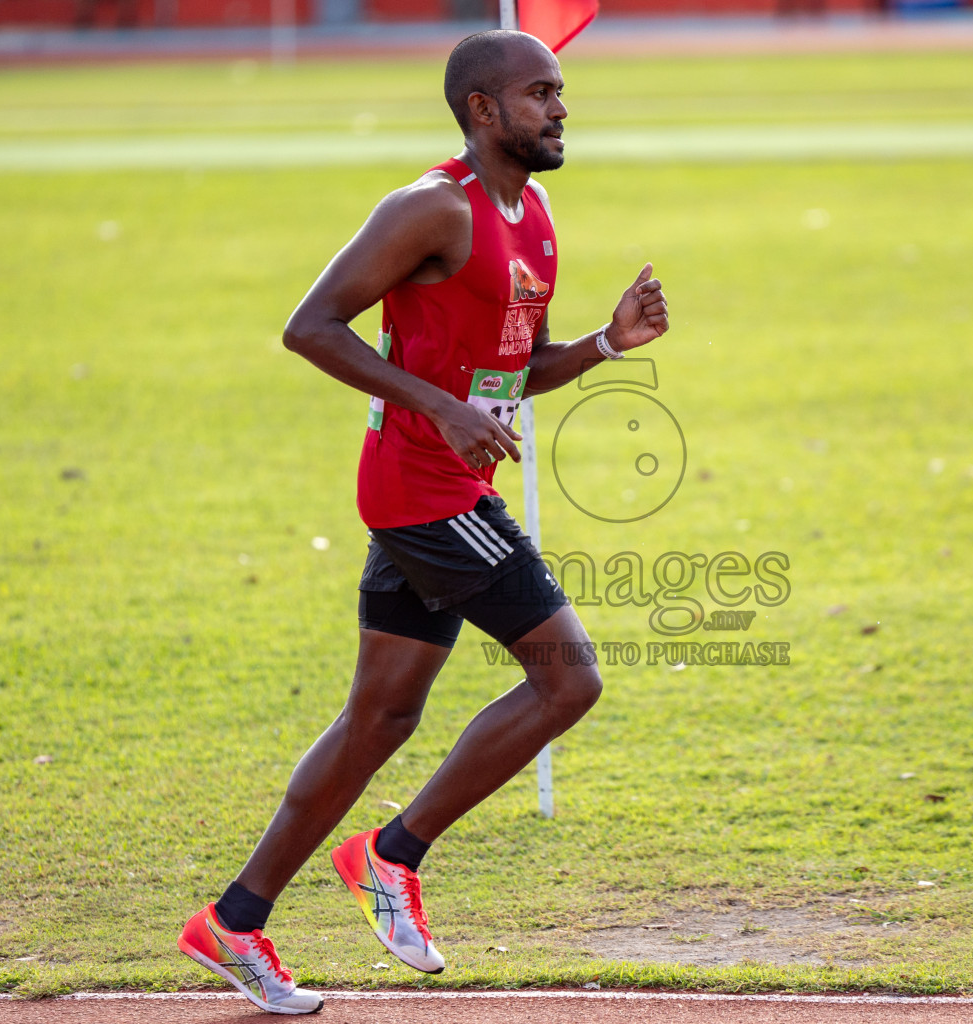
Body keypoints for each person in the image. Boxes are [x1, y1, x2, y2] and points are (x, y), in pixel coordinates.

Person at [175, 29, 670, 1015]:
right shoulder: (428, 209)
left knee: (381, 719)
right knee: (568, 678)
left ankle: (233, 920)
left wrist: (606, 345)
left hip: (444, 484)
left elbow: (503, 378)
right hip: (421, 488)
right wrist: (439, 410)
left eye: (561, 91)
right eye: (540, 93)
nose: (561, 108)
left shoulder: (532, 216)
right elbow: (309, 326)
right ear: (483, 110)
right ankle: (391, 855)